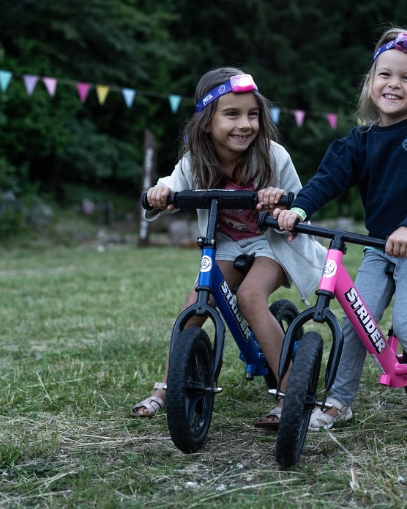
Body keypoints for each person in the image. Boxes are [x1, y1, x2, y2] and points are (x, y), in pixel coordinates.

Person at [273, 28, 407, 454]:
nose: (394, 83)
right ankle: (339, 402)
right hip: (378, 247)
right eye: (385, 74)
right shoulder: (360, 141)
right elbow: (328, 180)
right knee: (355, 316)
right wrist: (299, 210)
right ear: (370, 84)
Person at [131, 67, 326, 427]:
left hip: (271, 244)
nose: (245, 124)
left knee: (251, 297)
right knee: (195, 304)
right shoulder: (195, 161)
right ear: (207, 122)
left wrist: (280, 203)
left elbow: (299, 203)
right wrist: (159, 196)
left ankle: (289, 393)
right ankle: (166, 387)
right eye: (232, 114)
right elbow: (167, 187)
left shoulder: (273, 155)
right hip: (225, 247)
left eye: (252, 115)